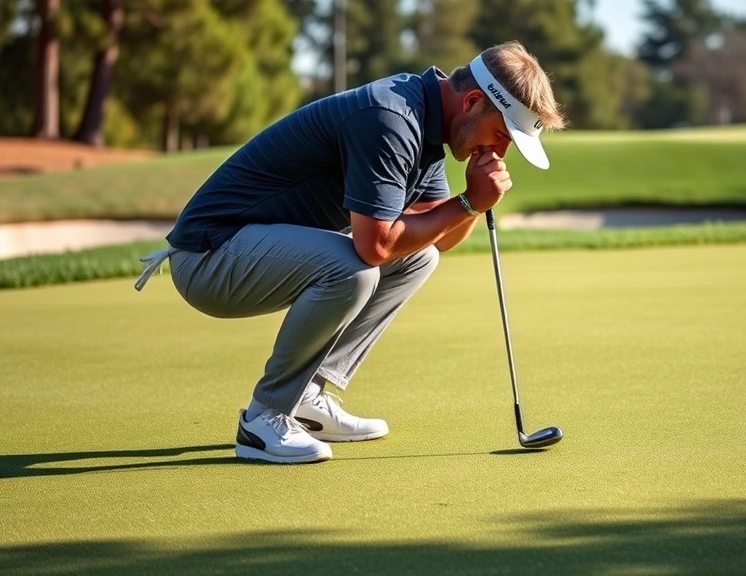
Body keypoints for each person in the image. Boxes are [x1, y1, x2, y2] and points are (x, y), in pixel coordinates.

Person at [134, 41, 566, 464]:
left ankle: (306, 396)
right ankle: (263, 418)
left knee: (419, 257)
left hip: (244, 249)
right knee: (352, 269)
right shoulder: (391, 118)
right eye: (502, 134)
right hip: (208, 255)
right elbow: (374, 245)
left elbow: (442, 238)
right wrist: (469, 202)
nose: (500, 150)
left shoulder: (434, 127)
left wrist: (475, 201)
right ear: (472, 102)